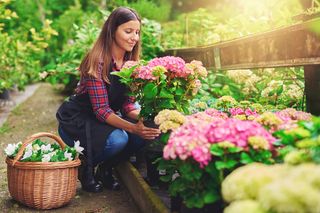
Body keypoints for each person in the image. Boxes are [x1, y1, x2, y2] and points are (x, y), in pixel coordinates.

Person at [56, 7, 160, 193]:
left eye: (137, 32)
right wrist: (132, 127)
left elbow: (128, 105)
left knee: (147, 131)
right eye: (128, 31)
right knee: (119, 138)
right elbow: (101, 109)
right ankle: (85, 167)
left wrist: (148, 118)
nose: (134, 38)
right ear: (112, 31)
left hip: (103, 119)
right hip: (79, 120)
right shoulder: (96, 61)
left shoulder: (130, 62)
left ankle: (106, 169)